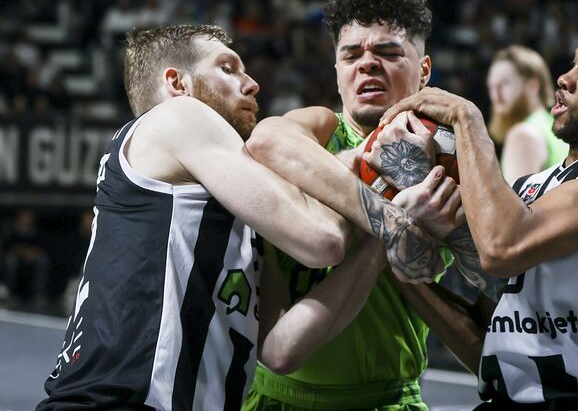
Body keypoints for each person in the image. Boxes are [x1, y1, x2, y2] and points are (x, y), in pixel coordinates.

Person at [37, 24, 436, 410]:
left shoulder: (232, 204)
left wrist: (379, 241)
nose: (252, 83)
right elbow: (323, 239)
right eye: (228, 68)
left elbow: (280, 351)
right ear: (178, 84)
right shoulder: (178, 116)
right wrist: (381, 173)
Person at [375, 24, 578, 410]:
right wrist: (386, 243)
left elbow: (503, 248)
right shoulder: (530, 186)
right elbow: (498, 341)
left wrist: (467, 118)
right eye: (572, 65)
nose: (565, 78)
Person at [244, 0, 497, 411]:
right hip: (279, 397)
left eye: (388, 52)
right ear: (337, 72)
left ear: (425, 71)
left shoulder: (456, 166)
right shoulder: (317, 130)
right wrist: (383, 181)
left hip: (390, 398)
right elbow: (266, 139)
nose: (367, 63)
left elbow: (488, 333)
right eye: (351, 55)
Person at [486, 45, 568, 185]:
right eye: (492, 86)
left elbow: (516, 206)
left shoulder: (523, 134)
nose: (496, 95)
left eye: (504, 84)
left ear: (533, 86)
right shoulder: (556, 125)